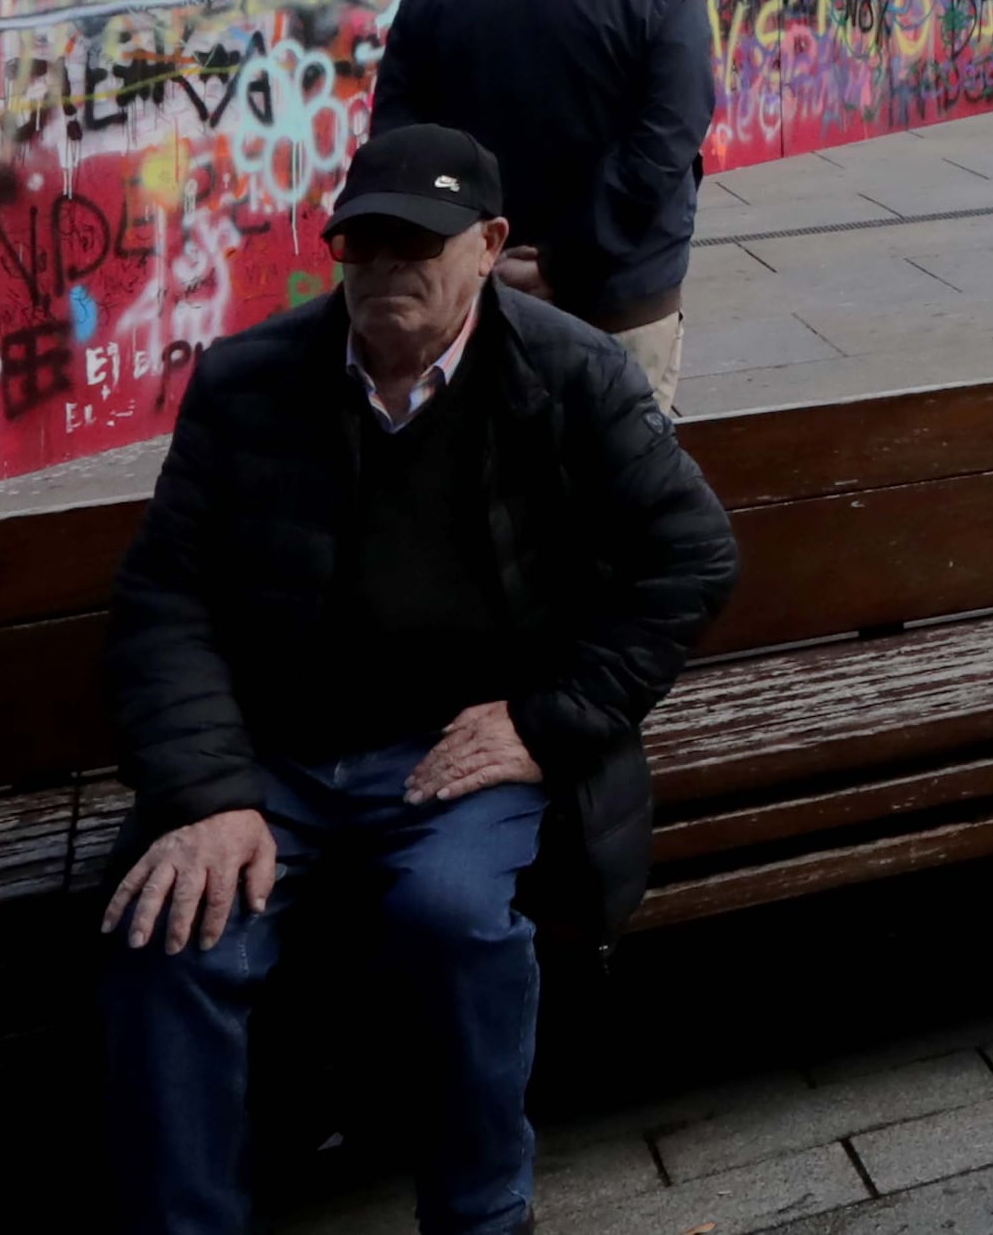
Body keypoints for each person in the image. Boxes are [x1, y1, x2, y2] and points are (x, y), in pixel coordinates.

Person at [100, 123, 741, 1235]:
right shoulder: (251, 381)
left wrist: (548, 720)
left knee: (451, 917)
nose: (389, 268)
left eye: (419, 244)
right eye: (366, 244)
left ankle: (482, 1219)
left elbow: (691, 553)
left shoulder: (567, 372)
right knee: (178, 929)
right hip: (273, 756)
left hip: (459, 751)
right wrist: (208, 796)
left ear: (489, 243)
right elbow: (166, 597)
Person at [373, 0, 717, 411]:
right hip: (620, 306)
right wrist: (562, 263)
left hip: (472, 306)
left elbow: (399, 156)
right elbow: (657, 159)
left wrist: (483, 258)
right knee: (622, 493)